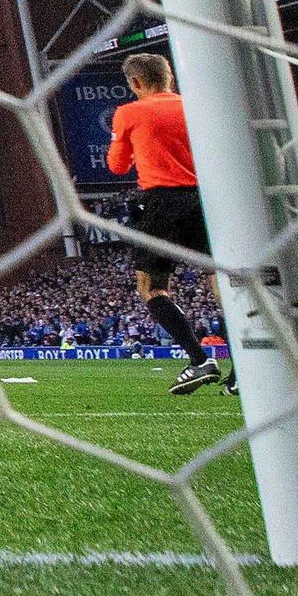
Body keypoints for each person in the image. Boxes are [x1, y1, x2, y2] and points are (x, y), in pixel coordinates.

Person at [107, 51, 231, 396]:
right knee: (219, 281)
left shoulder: (129, 112)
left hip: (163, 201)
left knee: (152, 287)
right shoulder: (194, 106)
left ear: (135, 82)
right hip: (207, 199)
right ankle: (241, 372)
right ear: (169, 77)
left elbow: (117, 166)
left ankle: (199, 360)